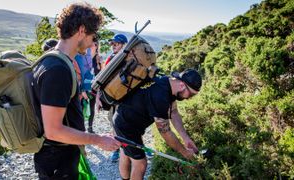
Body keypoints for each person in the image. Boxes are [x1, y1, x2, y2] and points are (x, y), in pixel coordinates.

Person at [31, 3, 121, 179]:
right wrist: (98, 140)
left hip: (57, 157)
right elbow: (53, 130)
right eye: (92, 35)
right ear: (81, 30)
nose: (92, 42)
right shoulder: (58, 69)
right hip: (58, 161)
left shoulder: (51, 61)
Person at [113, 69, 202, 180]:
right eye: (191, 95)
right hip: (126, 125)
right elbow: (165, 133)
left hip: (126, 119)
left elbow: (173, 112)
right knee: (140, 164)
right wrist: (184, 153)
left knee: (126, 151)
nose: (189, 98)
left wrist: (186, 138)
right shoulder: (160, 96)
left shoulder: (167, 82)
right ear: (182, 85)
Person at [104, 33, 128, 162]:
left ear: (124, 45)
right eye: (112, 43)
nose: (113, 46)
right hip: (115, 97)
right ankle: (116, 150)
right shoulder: (110, 58)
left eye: (116, 43)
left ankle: (131, 149)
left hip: (125, 97)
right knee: (114, 123)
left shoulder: (129, 59)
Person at [75, 47, 96, 133]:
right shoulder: (77, 56)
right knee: (80, 109)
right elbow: (79, 74)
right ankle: (80, 129)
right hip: (81, 89)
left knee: (91, 108)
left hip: (91, 88)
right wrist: (82, 90)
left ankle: (89, 127)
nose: (92, 46)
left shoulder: (90, 56)